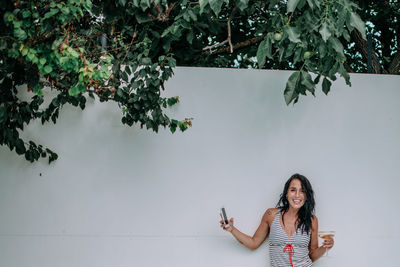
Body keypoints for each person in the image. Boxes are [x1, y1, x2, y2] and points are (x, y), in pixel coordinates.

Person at [219, 173, 334, 267]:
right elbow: (253, 243)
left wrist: (325, 247)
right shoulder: (271, 214)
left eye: (302, 191)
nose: (297, 195)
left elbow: (312, 255)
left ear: (306, 195)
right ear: (286, 193)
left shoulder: (312, 220)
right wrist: (232, 229)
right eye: (293, 190)